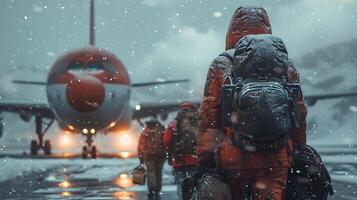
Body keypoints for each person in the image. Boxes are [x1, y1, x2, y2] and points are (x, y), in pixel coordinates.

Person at [197, 6, 308, 200]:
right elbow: (299, 112)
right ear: (267, 28)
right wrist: (299, 146)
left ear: (231, 31)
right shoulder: (285, 63)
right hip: (277, 156)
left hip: (233, 156)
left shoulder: (222, 63)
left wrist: (205, 156)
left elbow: (209, 117)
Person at [163, 101, 199, 200]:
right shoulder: (197, 122)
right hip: (194, 160)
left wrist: (172, 152)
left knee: (181, 184)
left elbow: (166, 141)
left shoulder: (173, 123)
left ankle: (182, 198)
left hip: (178, 160)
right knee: (194, 183)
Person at [138, 120, 166, 200]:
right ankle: (158, 189)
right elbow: (166, 142)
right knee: (159, 173)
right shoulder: (162, 131)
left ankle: (151, 190)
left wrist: (141, 158)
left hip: (149, 156)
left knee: (151, 173)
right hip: (160, 156)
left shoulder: (145, 132)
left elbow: (141, 145)